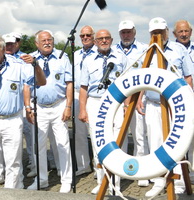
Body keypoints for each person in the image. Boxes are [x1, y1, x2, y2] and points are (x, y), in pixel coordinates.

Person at [0, 31, 46, 188]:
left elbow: (41, 81)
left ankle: (10, 193)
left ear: (3, 49)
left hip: (12, 120)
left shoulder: (17, 65)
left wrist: (35, 65)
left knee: (13, 161)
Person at [136, 17, 193, 197]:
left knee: (177, 144)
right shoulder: (146, 52)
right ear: (150, 34)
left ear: (167, 31)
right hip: (153, 104)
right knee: (156, 143)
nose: (158, 35)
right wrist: (139, 98)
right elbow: (141, 79)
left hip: (174, 106)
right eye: (154, 33)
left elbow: (187, 78)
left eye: (161, 32)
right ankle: (159, 180)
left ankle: (179, 183)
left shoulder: (178, 50)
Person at [78, 29, 128, 195]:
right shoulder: (88, 60)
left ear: (112, 39)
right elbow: (83, 87)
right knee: (97, 142)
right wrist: (82, 109)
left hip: (116, 101)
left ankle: (116, 185)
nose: (104, 41)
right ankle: (101, 182)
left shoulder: (120, 57)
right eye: (100, 39)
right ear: (95, 41)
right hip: (95, 101)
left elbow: (127, 84)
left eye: (107, 38)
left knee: (116, 143)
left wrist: (127, 105)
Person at [24, 30, 73, 193]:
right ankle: (42, 179)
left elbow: (69, 83)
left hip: (59, 105)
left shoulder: (62, 56)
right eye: (43, 40)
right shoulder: (30, 59)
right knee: (38, 145)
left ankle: (67, 180)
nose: (47, 42)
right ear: (36, 44)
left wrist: (68, 106)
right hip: (39, 107)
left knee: (63, 144)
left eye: (50, 40)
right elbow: (26, 85)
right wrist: (27, 107)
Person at [114, 20, 149, 187]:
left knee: (139, 135)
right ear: (119, 34)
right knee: (119, 136)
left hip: (137, 97)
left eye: (128, 32)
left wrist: (140, 97)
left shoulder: (144, 49)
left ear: (134, 32)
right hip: (119, 99)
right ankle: (120, 171)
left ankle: (141, 172)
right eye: (123, 32)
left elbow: (147, 74)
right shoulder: (113, 50)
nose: (126, 35)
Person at [172, 19, 194, 184]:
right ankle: (180, 176)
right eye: (180, 32)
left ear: (191, 32)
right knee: (180, 137)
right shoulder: (172, 50)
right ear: (174, 34)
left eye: (186, 31)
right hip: (178, 100)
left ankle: (192, 173)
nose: (184, 34)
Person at [72, 25, 96, 176]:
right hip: (76, 94)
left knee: (94, 132)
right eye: (82, 36)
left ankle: (98, 166)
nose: (85, 38)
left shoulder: (98, 52)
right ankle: (83, 165)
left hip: (93, 95)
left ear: (93, 36)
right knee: (79, 133)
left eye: (88, 35)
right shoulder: (75, 54)